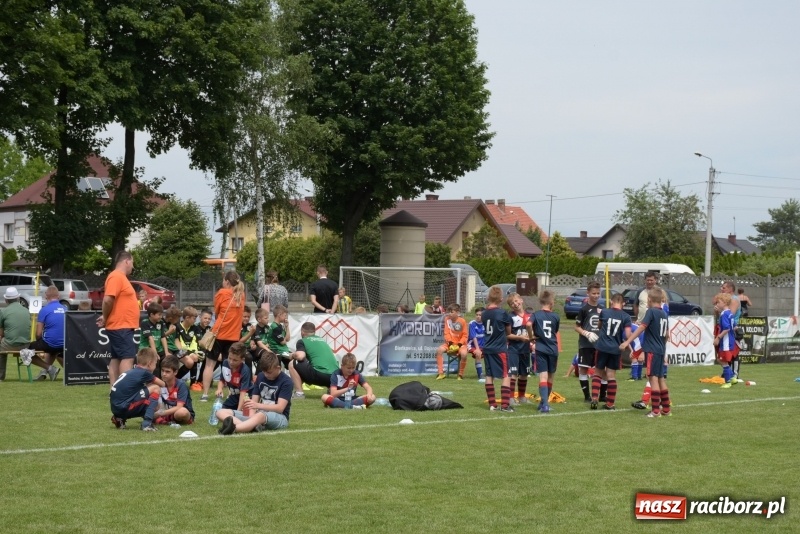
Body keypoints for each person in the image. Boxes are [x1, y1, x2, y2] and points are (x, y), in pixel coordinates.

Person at [621, 289, 670, 418]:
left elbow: (642, 327)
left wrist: (628, 342)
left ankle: (655, 411)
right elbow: (667, 335)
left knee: (652, 378)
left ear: (649, 300)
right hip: (660, 350)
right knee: (661, 378)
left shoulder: (651, 312)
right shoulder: (664, 313)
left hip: (652, 350)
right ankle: (666, 408)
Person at [217, 351, 292, 435]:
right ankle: (250, 427)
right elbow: (253, 402)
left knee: (260, 415)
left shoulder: (286, 381)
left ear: (278, 368)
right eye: (264, 372)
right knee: (221, 412)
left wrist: (257, 406)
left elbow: (280, 408)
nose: (266, 375)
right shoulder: (261, 376)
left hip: (280, 417)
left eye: (269, 372)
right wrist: (250, 415)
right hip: (258, 414)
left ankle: (233, 428)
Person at [200, 271, 246, 401]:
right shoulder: (241, 294)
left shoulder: (222, 293)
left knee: (209, 365)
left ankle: (205, 394)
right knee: (232, 366)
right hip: (234, 335)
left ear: (227, 281)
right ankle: (231, 393)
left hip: (219, 334)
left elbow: (217, 311)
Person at [97, 250, 139, 387]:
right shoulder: (116, 276)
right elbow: (108, 300)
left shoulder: (119, 277)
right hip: (121, 326)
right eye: (132, 263)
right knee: (128, 358)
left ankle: (114, 390)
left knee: (116, 359)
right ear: (127, 261)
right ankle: (124, 390)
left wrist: (105, 316)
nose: (133, 266)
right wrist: (105, 316)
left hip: (121, 325)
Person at [591, 293, 632, 410]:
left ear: (611, 301)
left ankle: (594, 397)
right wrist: (628, 344)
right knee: (611, 376)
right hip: (615, 349)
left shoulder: (604, 312)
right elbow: (628, 334)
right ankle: (610, 403)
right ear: (623, 303)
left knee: (597, 373)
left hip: (602, 346)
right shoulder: (626, 317)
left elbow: (599, 326)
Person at [109, 348, 166, 431]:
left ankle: (119, 419)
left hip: (115, 408)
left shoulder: (132, 371)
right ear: (150, 363)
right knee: (155, 388)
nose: (155, 366)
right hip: (124, 407)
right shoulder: (144, 372)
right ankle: (147, 424)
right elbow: (162, 384)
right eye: (155, 363)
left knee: (149, 397)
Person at [481, 285, 514, 412]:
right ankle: (505, 405)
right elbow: (508, 331)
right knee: (506, 375)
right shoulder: (502, 313)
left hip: (487, 347)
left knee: (489, 375)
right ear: (501, 299)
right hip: (499, 348)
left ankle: (492, 404)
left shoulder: (484, 313)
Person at [288, 322, 340, 398]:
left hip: (319, 375)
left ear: (302, 332)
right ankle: (331, 390)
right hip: (335, 377)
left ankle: (299, 393)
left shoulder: (302, 341)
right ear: (314, 331)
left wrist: (292, 355)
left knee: (293, 363)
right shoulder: (322, 340)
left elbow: (300, 356)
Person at [26, 285, 66, 381]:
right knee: (53, 350)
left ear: (46, 296)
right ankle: (44, 372)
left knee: (25, 351)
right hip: (65, 344)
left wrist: (39, 341)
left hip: (51, 343)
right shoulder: (66, 309)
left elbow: (38, 333)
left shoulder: (44, 310)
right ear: (58, 296)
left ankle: (49, 368)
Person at [531, 291, 560, 413]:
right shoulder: (556, 316)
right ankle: (545, 403)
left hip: (541, 348)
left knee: (543, 376)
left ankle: (544, 404)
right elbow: (555, 331)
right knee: (551, 377)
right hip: (553, 349)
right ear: (551, 302)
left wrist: (531, 336)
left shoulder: (536, 314)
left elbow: (528, 324)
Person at [574, 281, 603, 403]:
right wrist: (586, 333)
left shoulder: (602, 309)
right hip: (585, 344)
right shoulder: (584, 309)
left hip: (599, 345)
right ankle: (587, 396)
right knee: (583, 369)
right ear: (588, 293)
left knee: (601, 370)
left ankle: (602, 396)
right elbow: (577, 327)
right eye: (593, 293)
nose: (596, 295)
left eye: (598, 293)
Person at [213, 341, 253, 420]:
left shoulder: (245, 371)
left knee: (245, 416)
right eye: (229, 358)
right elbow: (222, 379)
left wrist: (238, 412)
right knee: (221, 412)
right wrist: (219, 389)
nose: (231, 362)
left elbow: (243, 393)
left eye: (235, 360)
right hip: (234, 396)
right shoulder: (225, 363)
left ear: (242, 360)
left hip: (247, 397)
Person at [0, 287, 32, 382]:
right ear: (18, 298)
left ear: (6, 300)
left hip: (10, 344)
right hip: (26, 345)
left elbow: (1, 332)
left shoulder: (3, 311)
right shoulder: (26, 310)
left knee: (1, 349)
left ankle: (0, 376)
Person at [507, 293, 532, 404]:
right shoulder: (510, 317)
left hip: (525, 350)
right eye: (512, 303)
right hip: (513, 349)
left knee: (524, 374)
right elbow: (507, 335)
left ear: (521, 300)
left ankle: (522, 397)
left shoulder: (530, 316)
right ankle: (511, 397)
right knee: (513, 373)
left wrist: (533, 340)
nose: (515, 304)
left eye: (516, 301)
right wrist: (520, 337)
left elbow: (533, 332)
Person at [154, 355, 195, 425]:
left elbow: (179, 406)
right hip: (166, 412)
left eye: (167, 372)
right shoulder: (160, 383)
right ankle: (166, 421)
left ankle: (163, 420)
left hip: (179, 412)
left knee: (182, 412)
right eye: (162, 370)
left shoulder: (181, 385)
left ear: (175, 372)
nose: (164, 374)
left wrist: (160, 413)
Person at [435, 303, 468, 380]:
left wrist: (459, 345)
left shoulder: (462, 321)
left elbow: (465, 335)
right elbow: (446, 333)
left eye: (452, 312)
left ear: (457, 312)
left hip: (460, 344)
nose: (450, 314)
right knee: (439, 350)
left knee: (464, 354)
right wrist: (450, 343)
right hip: (449, 344)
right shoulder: (447, 319)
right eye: (449, 312)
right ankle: (441, 373)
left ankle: (460, 374)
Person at [714, 293, 740, 388]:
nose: (717, 304)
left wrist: (718, 338)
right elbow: (735, 326)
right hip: (730, 341)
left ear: (724, 303)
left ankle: (728, 382)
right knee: (721, 360)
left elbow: (727, 328)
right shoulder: (730, 313)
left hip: (725, 342)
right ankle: (732, 377)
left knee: (722, 361)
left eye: (718, 302)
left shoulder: (724, 314)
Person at [175, 306, 203, 387]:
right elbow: (177, 343)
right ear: (187, 318)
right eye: (194, 318)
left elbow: (198, 342)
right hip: (178, 351)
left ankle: (193, 384)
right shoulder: (177, 327)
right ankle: (175, 379)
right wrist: (185, 352)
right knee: (190, 361)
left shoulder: (195, 328)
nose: (195, 320)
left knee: (195, 357)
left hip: (191, 351)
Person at [138, 302, 166, 375]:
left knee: (168, 360)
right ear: (151, 315)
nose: (161, 316)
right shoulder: (145, 323)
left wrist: (166, 352)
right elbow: (150, 338)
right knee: (154, 362)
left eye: (161, 314)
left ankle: (163, 380)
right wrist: (155, 354)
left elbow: (163, 337)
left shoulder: (161, 322)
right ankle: (152, 380)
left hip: (158, 349)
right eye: (159, 315)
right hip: (146, 349)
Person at [467, 307, 486, 382]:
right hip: (472, 345)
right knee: (478, 354)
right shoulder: (472, 323)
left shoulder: (486, 323)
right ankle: (480, 374)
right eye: (477, 315)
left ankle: (491, 373)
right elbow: (474, 337)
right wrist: (477, 349)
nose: (478, 316)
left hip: (483, 345)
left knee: (491, 353)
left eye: (480, 315)